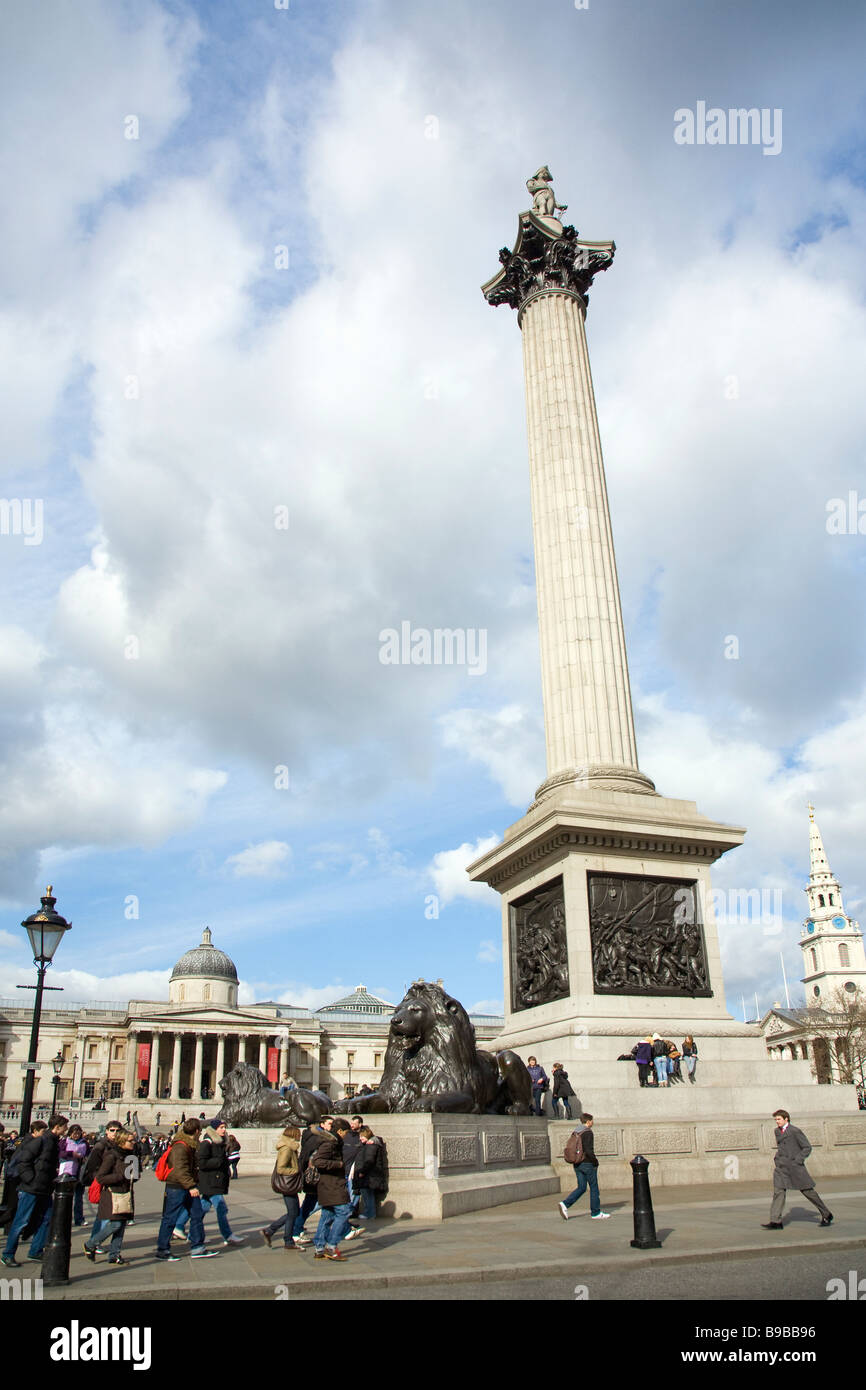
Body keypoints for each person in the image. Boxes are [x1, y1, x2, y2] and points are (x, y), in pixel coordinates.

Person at [1, 1115, 67, 1267]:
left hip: (44, 1188)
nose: (66, 1130)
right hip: (31, 1188)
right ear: (57, 1127)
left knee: (47, 1219)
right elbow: (23, 1161)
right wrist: (31, 1179)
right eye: (64, 1127)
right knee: (20, 1222)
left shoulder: (53, 1142)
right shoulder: (41, 1141)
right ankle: (8, 1254)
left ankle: (35, 1250)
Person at [154, 1118, 219, 1261]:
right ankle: (162, 1249)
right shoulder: (180, 1146)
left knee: (196, 1214)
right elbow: (179, 1170)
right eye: (200, 1131)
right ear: (196, 1131)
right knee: (170, 1218)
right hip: (177, 1187)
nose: (200, 1133)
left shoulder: (191, 1145)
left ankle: (197, 1247)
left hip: (187, 1186)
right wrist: (191, 1186)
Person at [174, 1119, 243, 1246]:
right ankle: (227, 1235)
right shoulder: (207, 1142)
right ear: (214, 1129)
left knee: (203, 1208)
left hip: (214, 1180)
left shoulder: (219, 1142)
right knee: (221, 1208)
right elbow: (202, 1162)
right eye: (221, 1127)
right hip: (210, 1181)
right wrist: (219, 1161)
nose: (224, 1130)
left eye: (224, 1127)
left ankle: (189, 1232)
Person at [761, 1110, 833, 1230]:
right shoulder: (777, 1131)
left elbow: (807, 1147)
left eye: (778, 1119)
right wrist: (777, 1158)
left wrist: (798, 1160)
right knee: (778, 1192)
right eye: (776, 1120)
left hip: (795, 1167)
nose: (777, 1122)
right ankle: (776, 1221)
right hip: (781, 1168)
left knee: (808, 1191)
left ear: (786, 1119)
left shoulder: (795, 1131)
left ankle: (826, 1214)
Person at [83, 1129, 138, 1265]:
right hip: (112, 1194)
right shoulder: (111, 1155)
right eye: (130, 1140)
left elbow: (134, 1176)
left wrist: (134, 1174)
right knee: (116, 1224)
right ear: (122, 1141)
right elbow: (101, 1177)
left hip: (125, 1193)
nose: (133, 1143)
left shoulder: (131, 1155)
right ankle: (91, 1244)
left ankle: (114, 1254)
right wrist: (120, 1176)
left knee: (121, 1225)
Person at [311, 1116, 354, 1260]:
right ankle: (331, 1246)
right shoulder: (331, 1143)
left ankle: (319, 1247)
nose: (347, 1136)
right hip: (333, 1184)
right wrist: (338, 1165)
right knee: (344, 1212)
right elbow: (318, 1161)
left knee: (327, 1215)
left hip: (328, 1184)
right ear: (340, 1131)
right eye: (346, 1132)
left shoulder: (333, 1141)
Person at [558, 1113, 610, 1221]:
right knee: (594, 1188)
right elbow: (588, 1150)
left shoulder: (576, 1131)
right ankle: (596, 1212)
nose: (593, 1122)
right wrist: (595, 1162)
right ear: (588, 1121)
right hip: (587, 1163)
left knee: (581, 1187)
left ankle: (565, 1204)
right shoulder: (588, 1133)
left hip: (577, 1163)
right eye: (592, 1120)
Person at [260, 1125, 304, 1250]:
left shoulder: (291, 1147)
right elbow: (281, 1168)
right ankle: (283, 1238)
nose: (299, 1136)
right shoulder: (287, 1149)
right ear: (293, 1135)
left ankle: (274, 1233)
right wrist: (295, 1171)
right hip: (288, 1185)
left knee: (294, 1212)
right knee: (293, 1213)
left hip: (290, 1185)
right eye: (298, 1134)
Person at [352, 1126, 386, 1221]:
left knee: (367, 1196)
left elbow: (369, 1161)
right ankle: (369, 1213)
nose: (360, 1138)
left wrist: (362, 1171)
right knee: (367, 1195)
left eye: (362, 1136)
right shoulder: (369, 1144)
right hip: (369, 1175)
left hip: (368, 1176)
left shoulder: (371, 1145)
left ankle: (369, 1214)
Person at [58, 1123, 88, 1226]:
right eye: (75, 1134)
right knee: (66, 1197)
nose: (76, 1136)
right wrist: (71, 1154)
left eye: (78, 1134)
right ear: (70, 1133)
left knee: (79, 1197)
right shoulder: (64, 1141)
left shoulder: (84, 1143)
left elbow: (88, 1154)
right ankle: (64, 1218)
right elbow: (60, 1153)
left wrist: (85, 1159)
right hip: (68, 1171)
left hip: (80, 1171)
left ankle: (79, 1218)